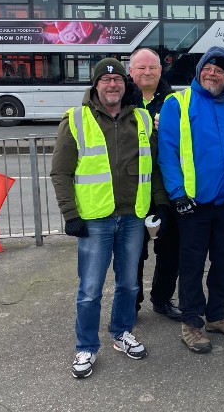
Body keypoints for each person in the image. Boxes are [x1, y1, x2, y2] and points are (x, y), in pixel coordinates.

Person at [51, 57, 170, 379]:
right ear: (96, 85)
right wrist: (70, 214)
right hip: (95, 220)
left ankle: (121, 333)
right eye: (106, 81)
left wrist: (158, 203)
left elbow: (154, 167)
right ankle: (86, 346)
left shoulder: (143, 120)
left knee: (129, 284)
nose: (112, 84)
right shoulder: (76, 119)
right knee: (90, 289)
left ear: (124, 84)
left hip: (133, 217)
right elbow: (60, 172)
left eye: (117, 79)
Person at [157, 46, 224, 353]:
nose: (213, 73)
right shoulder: (178, 102)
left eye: (220, 70)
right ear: (199, 72)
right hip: (194, 204)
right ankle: (192, 323)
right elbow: (167, 152)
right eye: (208, 67)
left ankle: (217, 315)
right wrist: (177, 194)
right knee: (192, 265)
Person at [129, 48, 182, 322]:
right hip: (133, 190)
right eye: (141, 68)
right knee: (133, 253)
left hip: (169, 187)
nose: (147, 72)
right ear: (131, 71)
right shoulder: (122, 101)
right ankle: (132, 303)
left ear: (161, 70)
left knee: (170, 250)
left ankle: (162, 299)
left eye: (153, 67)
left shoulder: (174, 101)